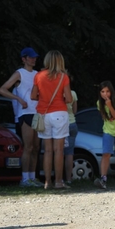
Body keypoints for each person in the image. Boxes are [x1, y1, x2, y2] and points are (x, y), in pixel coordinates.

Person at [0, 47, 43, 187]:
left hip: (37, 113)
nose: (33, 59)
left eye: (34, 57)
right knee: (28, 146)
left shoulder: (37, 74)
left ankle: (32, 177)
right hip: (25, 113)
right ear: (24, 59)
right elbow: (2, 89)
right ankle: (24, 179)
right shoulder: (20, 73)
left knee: (36, 147)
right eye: (30, 57)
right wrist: (18, 99)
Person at [30, 50, 73, 189]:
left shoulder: (38, 76)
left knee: (47, 150)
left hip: (43, 114)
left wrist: (43, 98)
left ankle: (47, 182)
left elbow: (33, 96)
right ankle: (59, 181)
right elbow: (69, 98)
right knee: (59, 150)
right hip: (59, 113)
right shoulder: (63, 77)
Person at [94, 81, 115, 190]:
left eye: (107, 91)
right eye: (103, 91)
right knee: (106, 154)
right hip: (108, 131)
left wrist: (109, 105)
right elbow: (105, 117)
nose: (105, 94)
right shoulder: (99, 103)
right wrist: (107, 111)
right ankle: (103, 178)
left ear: (111, 92)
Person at [64, 89, 78, 185]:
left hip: (61, 124)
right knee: (69, 153)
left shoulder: (57, 92)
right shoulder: (73, 93)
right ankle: (69, 179)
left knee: (58, 152)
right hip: (72, 123)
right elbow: (74, 110)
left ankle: (58, 178)